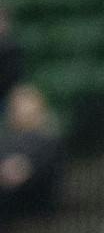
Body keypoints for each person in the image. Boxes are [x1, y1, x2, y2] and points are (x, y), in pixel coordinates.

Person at [0, 84, 63, 224]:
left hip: (31, 205)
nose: (21, 109)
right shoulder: (7, 139)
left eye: (25, 104)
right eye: (17, 105)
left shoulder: (48, 141)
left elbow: (19, 173)